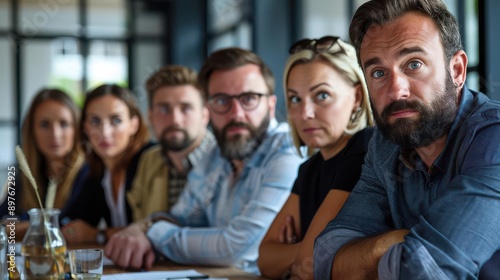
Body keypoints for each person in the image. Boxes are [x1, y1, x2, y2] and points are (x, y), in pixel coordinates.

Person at [313, 0, 500, 279]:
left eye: (414, 64)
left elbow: (426, 270)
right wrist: (387, 243)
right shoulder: (385, 146)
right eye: (378, 73)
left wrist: (376, 255)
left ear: (458, 71)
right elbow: (327, 256)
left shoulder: (493, 139)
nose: (396, 90)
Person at [104, 47, 302, 274]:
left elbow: (234, 247)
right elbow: (181, 217)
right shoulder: (216, 155)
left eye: (249, 98)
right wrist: (143, 229)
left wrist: (151, 233)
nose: (236, 113)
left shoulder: (287, 151)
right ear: (210, 107)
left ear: (270, 104)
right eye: (221, 100)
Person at [258, 36, 374, 279]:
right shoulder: (309, 168)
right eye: (295, 99)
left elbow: (308, 265)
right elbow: (265, 259)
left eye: (322, 95)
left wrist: (294, 251)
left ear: (357, 97)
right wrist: (305, 251)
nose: (305, 113)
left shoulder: (364, 148)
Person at [62, 84, 153, 245]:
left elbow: (154, 230)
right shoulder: (98, 173)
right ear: (85, 127)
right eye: (95, 121)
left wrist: (97, 234)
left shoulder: (150, 160)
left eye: (116, 120)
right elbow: (68, 223)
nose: (104, 132)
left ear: (134, 125)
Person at [127, 65, 216, 221]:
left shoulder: (226, 161)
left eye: (186, 108)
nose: (175, 120)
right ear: (151, 117)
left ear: (205, 114)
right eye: (164, 109)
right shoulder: (149, 160)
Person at [0, 88, 86, 240]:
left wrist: (22, 224)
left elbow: (66, 225)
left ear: (77, 129)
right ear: (31, 131)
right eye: (45, 124)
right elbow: (2, 221)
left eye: (64, 124)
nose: (55, 134)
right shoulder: (24, 176)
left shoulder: (88, 174)